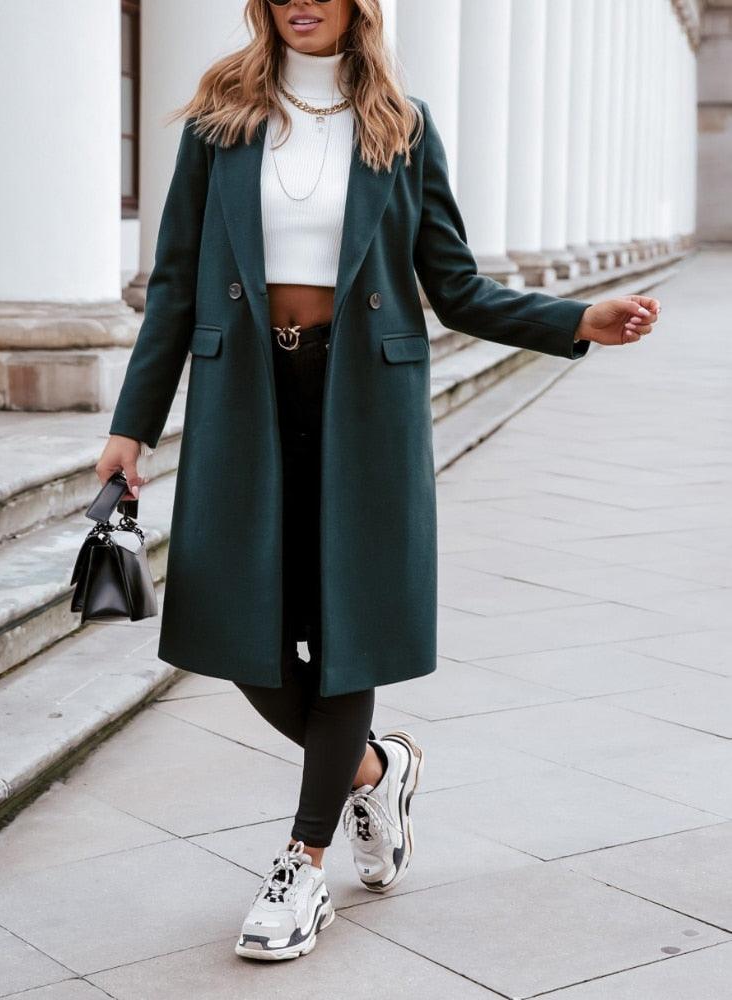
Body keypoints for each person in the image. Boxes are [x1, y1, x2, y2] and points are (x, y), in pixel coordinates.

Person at [96, 0, 661, 963]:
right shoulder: (217, 120)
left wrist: (572, 320)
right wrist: (130, 426)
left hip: (365, 402)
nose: (302, 0)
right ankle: (373, 768)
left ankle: (302, 865)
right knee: (233, 626)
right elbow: (178, 284)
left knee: (347, 628)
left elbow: (456, 285)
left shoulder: (402, 125)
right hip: (246, 399)